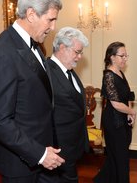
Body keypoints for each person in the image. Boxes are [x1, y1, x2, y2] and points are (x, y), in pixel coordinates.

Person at [0, 0, 65, 183]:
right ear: (31, 14)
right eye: (50, 19)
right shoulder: (3, 51)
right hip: (20, 164)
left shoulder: (33, 45)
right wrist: (39, 154)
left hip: (40, 156)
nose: (53, 27)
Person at [46, 27, 89, 183]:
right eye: (77, 52)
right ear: (62, 47)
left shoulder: (68, 70)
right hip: (58, 148)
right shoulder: (46, 71)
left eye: (80, 53)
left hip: (72, 146)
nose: (79, 57)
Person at [93, 41, 136, 183]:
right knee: (120, 156)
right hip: (113, 120)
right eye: (122, 55)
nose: (125, 58)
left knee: (118, 156)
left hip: (123, 118)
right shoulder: (108, 76)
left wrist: (129, 112)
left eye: (126, 55)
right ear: (112, 57)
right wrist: (132, 112)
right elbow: (116, 103)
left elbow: (127, 95)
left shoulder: (121, 73)